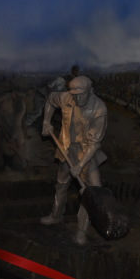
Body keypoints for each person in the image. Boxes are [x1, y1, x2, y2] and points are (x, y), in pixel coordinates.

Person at [40, 76, 108, 245]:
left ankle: (81, 230)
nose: (76, 98)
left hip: (86, 152)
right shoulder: (65, 97)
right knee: (61, 183)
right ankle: (56, 215)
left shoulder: (99, 108)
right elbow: (50, 100)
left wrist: (80, 165)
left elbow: (94, 144)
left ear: (90, 91)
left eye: (80, 94)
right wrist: (46, 121)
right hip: (66, 148)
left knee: (91, 189)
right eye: (74, 94)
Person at [0, 88, 27, 170]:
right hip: (0, 125)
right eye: (16, 94)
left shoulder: (21, 107)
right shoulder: (6, 97)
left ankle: (18, 163)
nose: (17, 97)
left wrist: (13, 137)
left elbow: (17, 124)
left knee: (21, 142)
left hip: (14, 127)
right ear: (14, 93)